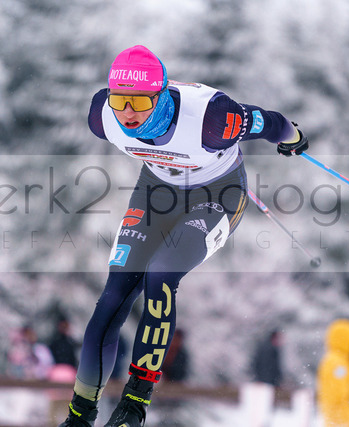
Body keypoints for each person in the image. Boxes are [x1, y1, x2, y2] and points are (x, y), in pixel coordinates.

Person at [59, 45, 309, 427]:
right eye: (120, 101)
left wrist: (292, 135)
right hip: (157, 193)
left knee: (161, 273)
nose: (128, 113)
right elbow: (119, 112)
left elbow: (269, 122)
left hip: (217, 195)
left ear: (160, 96)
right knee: (115, 293)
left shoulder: (214, 119)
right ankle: (79, 415)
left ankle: (134, 405)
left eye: (140, 102)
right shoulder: (101, 116)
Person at [317, 319, 349, 427]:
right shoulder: (337, 364)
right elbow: (340, 397)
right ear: (345, 340)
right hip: (343, 423)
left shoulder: (345, 362)